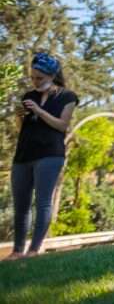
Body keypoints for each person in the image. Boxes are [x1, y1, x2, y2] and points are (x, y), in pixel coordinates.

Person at [7, 53, 78, 260]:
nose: (35, 82)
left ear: (52, 76)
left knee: (43, 202)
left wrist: (39, 111)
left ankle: (34, 250)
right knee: (21, 204)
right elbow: (22, 128)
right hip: (23, 154)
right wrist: (19, 117)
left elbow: (62, 125)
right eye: (32, 77)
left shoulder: (67, 97)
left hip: (50, 154)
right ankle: (17, 251)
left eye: (39, 78)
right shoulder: (28, 96)